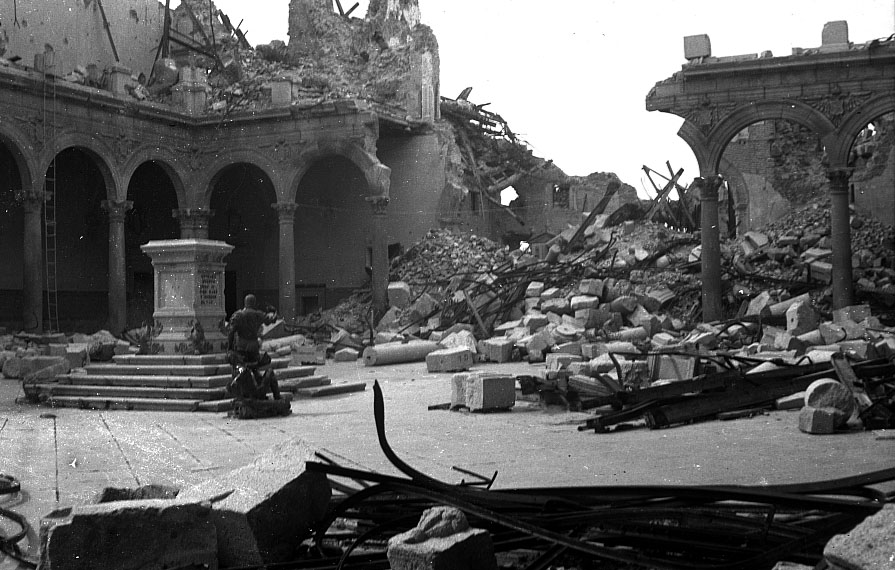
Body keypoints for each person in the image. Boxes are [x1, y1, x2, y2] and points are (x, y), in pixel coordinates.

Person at [227, 294, 281, 400]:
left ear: (245, 303)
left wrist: (229, 347)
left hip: (241, 346)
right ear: (254, 303)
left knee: (240, 370)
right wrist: (274, 311)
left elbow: (231, 332)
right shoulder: (258, 314)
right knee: (255, 368)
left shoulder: (238, 315)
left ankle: (242, 393)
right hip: (253, 346)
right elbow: (272, 320)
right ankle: (262, 391)